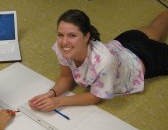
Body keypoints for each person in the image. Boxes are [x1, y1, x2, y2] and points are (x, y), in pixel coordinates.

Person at [29, 9, 168, 112]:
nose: (64, 41)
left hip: (146, 58)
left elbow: (96, 96)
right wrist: (50, 94)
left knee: (158, 29)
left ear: (86, 36)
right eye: (60, 35)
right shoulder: (62, 47)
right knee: (157, 26)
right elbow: (66, 77)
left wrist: (58, 102)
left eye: (72, 35)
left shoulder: (104, 61)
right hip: (124, 42)